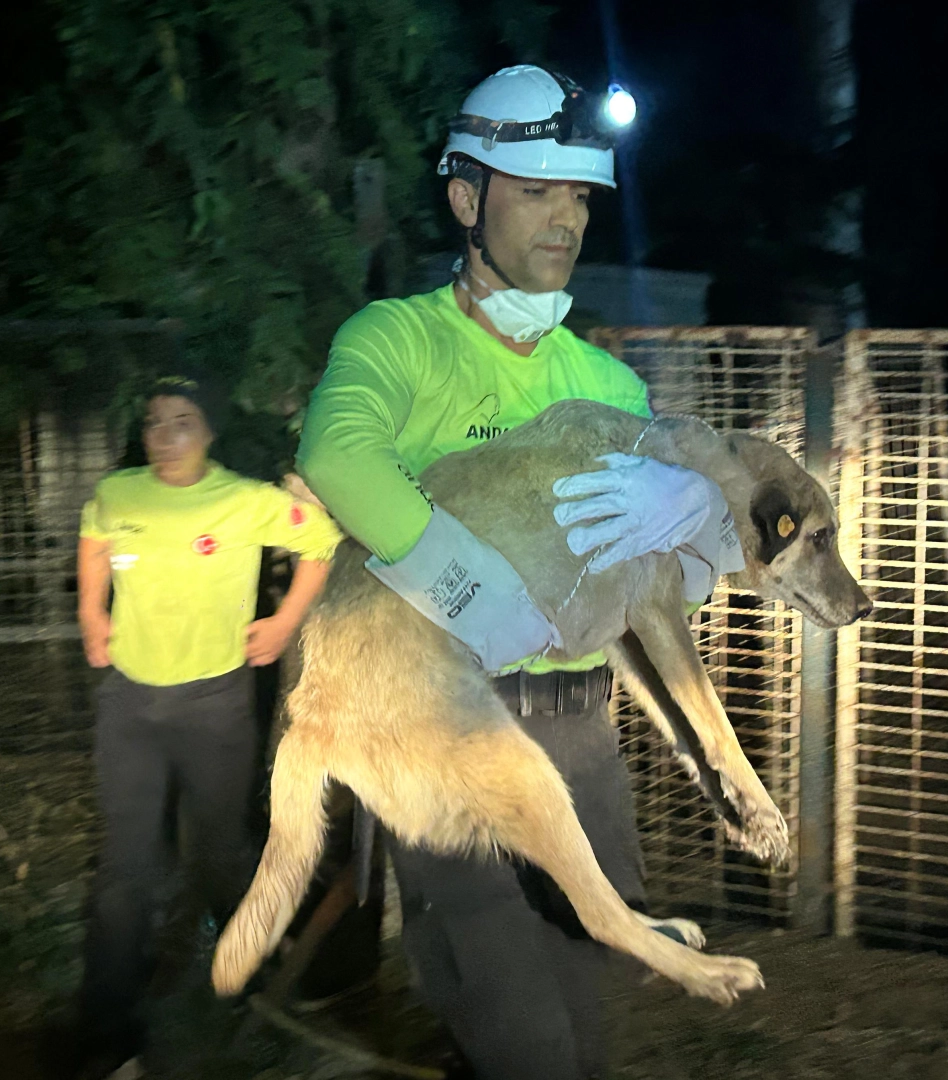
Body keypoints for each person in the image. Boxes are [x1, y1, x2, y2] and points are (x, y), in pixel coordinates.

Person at [294, 65, 743, 1080]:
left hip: (585, 743)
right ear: (466, 199)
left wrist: (696, 523)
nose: (564, 218)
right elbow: (338, 455)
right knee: (530, 1046)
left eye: (577, 195)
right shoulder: (397, 340)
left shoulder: (607, 380)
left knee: (582, 1032)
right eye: (534, 191)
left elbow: (679, 588)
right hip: (448, 734)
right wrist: (472, 591)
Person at [75, 369, 343, 1079]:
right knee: (124, 872)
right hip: (130, 706)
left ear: (210, 431)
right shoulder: (118, 493)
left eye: (182, 421)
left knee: (224, 853)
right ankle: (107, 1027)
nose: (164, 437)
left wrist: (285, 622)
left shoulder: (245, 501)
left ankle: (249, 990)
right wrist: (91, 611)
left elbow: (320, 543)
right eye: (155, 422)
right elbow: (95, 538)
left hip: (214, 708)